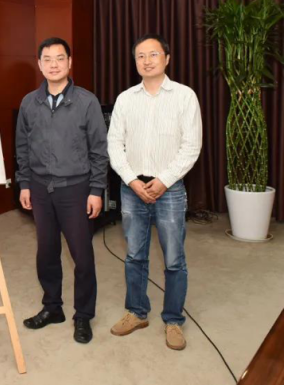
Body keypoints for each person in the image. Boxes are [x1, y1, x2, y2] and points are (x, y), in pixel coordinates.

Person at [107, 33, 202, 351]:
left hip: (170, 189)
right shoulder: (125, 99)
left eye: (153, 54)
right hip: (132, 187)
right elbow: (114, 144)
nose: (146, 61)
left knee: (174, 258)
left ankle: (173, 320)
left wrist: (163, 180)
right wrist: (132, 180)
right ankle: (137, 312)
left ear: (167, 58)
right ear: (135, 61)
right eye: (140, 56)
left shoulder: (184, 97)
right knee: (134, 255)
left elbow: (191, 146)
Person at [15, 37, 109, 344]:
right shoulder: (29, 102)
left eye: (59, 58)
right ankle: (52, 307)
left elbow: (99, 150)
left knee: (82, 256)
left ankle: (83, 315)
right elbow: (22, 147)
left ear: (69, 63)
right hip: (40, 189)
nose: (53, 64)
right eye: (47, 59)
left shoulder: (86, 102)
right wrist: (24, 183)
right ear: (39, 64)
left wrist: (96, 190)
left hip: (76, 189)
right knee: (46, 252)